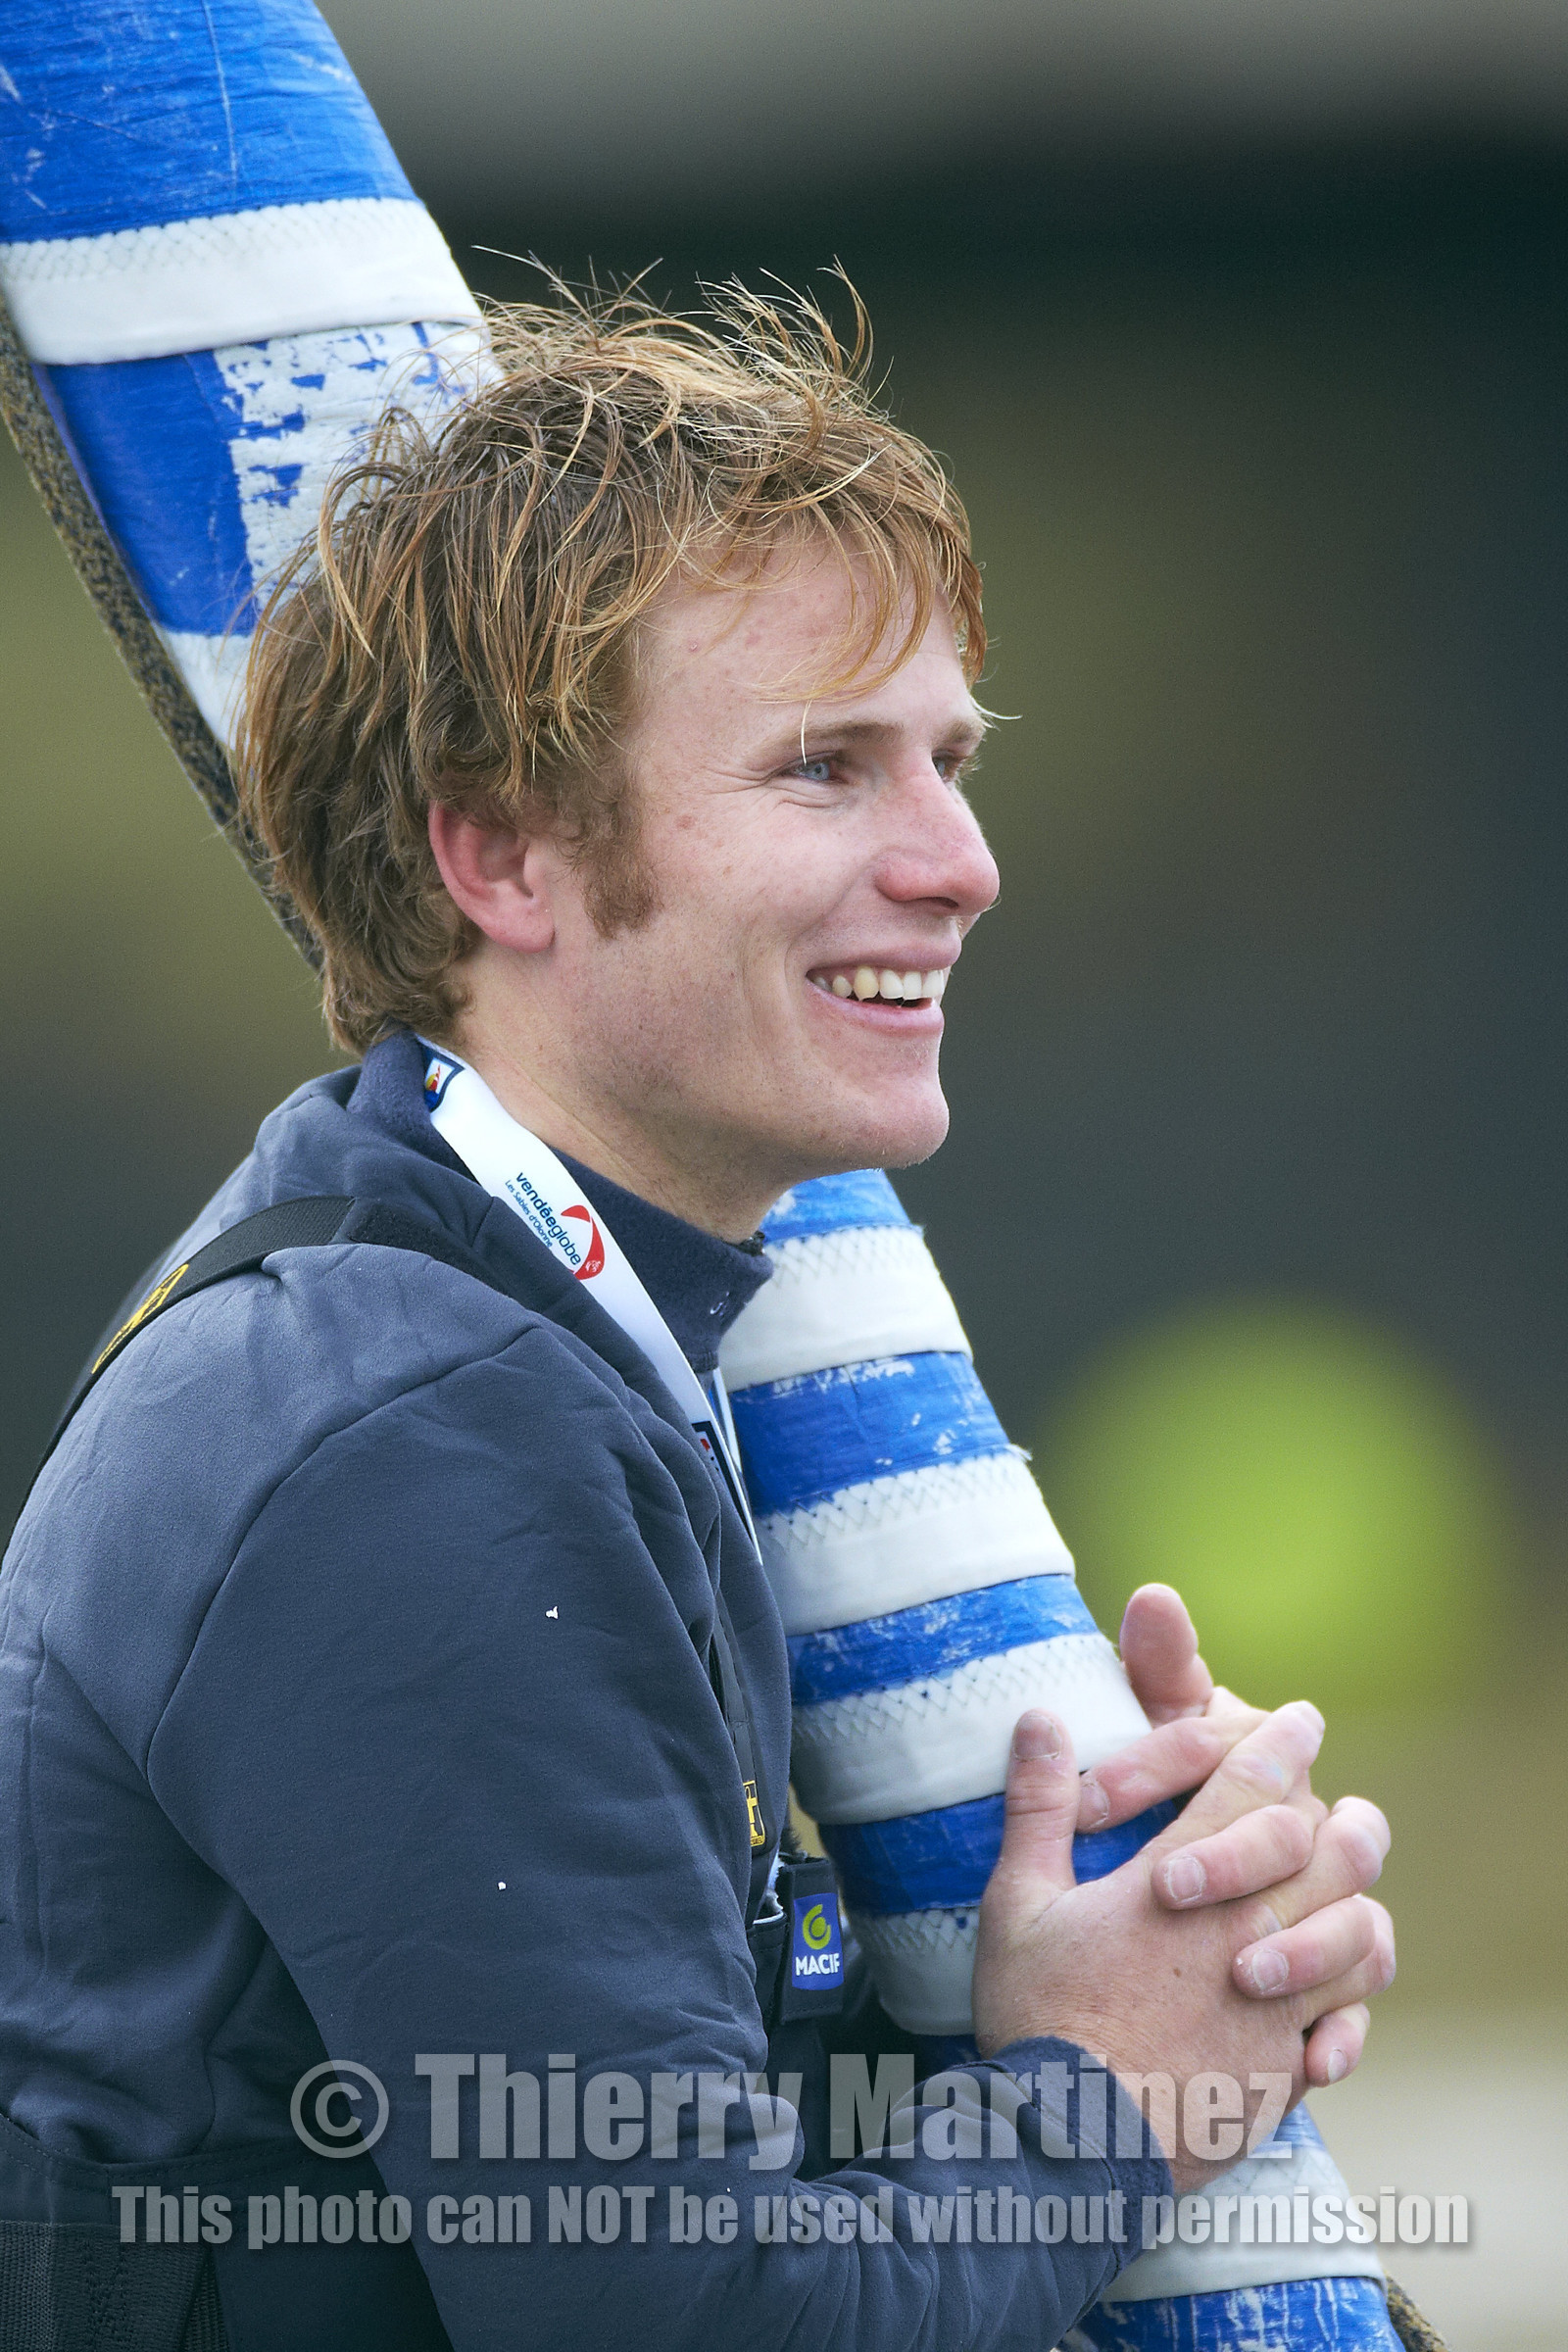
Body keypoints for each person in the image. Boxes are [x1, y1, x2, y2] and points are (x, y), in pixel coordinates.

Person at [0, 291, 1394, 2351]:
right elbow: (681, 2317)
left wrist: (1086, 1967)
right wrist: (1106, 2097)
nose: (960, 864)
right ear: (500, 856)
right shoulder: (424, 1440)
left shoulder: (495, 1322)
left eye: (949, 760)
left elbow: (567, 2183)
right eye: (825, 769)